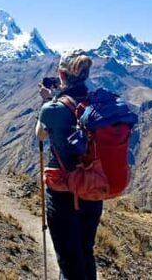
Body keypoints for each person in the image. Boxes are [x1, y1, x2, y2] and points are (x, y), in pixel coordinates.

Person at [35, 50, 102, 280]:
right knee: (85, 253)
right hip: (93, 191)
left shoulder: (53, 108)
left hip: (64, 194)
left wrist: (48, 99)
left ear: (62, 74)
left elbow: (40, 135)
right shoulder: (98, 103)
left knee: (68, 262)